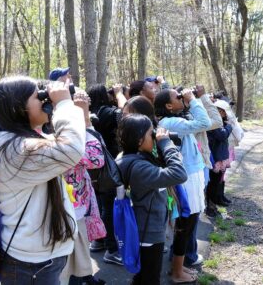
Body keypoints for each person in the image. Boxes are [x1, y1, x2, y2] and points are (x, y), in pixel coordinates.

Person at [0, 76, 85, 284]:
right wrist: (64, 103)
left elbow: (55, 144)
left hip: (33, 259)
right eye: (39, 97)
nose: (45, 100)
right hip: (33, 265)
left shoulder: (8, 143)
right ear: (18, 108)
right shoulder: (14, 151)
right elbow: (71, 149)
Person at [116, 114, 187, 285]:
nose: (154, 137)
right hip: (147, 233)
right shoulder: (139, 167)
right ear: (140, 140)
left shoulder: (128, 157)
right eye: (151, 134)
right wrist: (166, 143)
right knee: (150, 278)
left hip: (142, 228)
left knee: (142, 276)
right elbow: (179, 173)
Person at [154, 88, 211, 283]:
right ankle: (177, 272)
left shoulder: (173, 120)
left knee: (189, 223)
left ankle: (179, 267)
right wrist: (193, 99)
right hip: (186, 179)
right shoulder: (170, 122)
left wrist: (189, 102)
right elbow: (205, 123)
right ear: (169, 106)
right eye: (178, 97)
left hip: (190, 175)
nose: (182, 98)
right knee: (185, 224)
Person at [62, 91, 107, 285]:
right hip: (68, 209)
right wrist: (84, 119)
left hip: (74, 205)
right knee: (69, 265)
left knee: (77, 260)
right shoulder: (60, 136)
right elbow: (97, 157)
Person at [87, 84, 124, 265]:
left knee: (98, 204)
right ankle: (112, 249)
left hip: (91, 166)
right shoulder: (109, 112)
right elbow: (125, 115)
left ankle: (98, 239)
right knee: (108, 206)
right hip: (108, 164)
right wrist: (119, 95)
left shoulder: (86, 115)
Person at [207, 100, 233, 207]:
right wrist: (229, 127)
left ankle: (217, 199)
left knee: (218, 180)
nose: (223, 114)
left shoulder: (221, 123)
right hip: (215, 156)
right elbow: (222, 135)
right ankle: (211, 204)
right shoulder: (213, 123)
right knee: (213, 182)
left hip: (220, 156)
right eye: (220, 111)